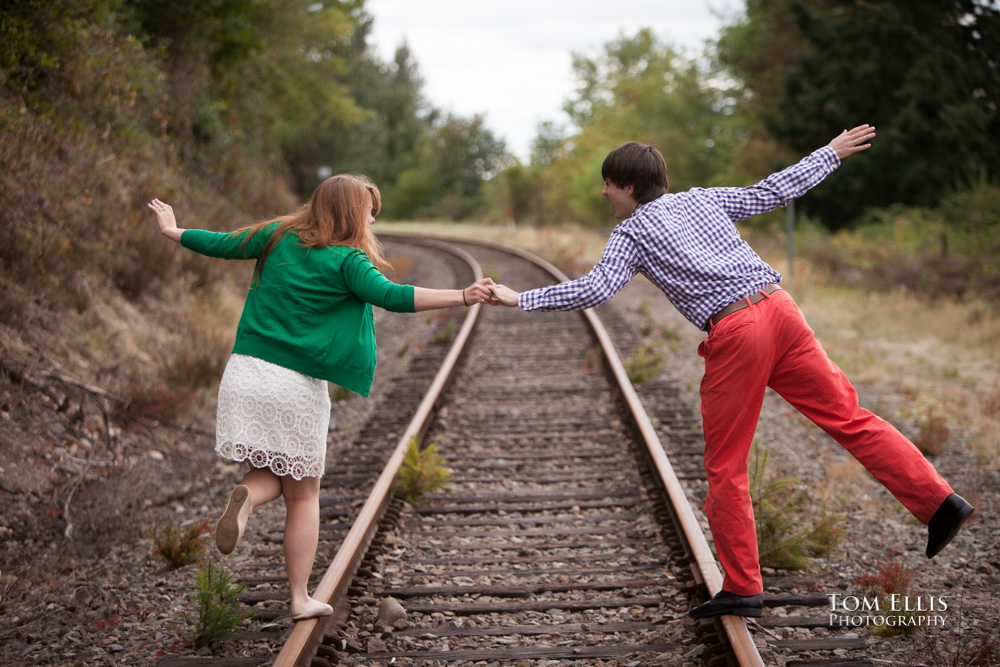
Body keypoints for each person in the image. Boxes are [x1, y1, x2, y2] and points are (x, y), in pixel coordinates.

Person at [488, 125, 975, 619]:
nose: (604, 193)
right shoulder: (702, 200)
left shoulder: (630, 232)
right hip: (781, 311)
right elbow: (772, 191)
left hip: (738, 332)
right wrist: (827, 154)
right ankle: (939, 501)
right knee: (850, 417)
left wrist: (519, 298)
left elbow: (594, 290)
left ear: (629, 187)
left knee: (726, 466)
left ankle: (743, 586)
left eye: (608, 184)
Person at [148, 174, 496, 622]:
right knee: (304, 495)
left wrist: (172, 229)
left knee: (270, 471)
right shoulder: (349, 260)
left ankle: (248, 499)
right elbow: (394, 296)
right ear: (353, 212)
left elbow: (222, 243)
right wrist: (463, 295)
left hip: (246, 372)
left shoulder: (276, 235)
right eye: (370, 209)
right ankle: (298, 597)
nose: (374, 217)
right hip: (295, 385)